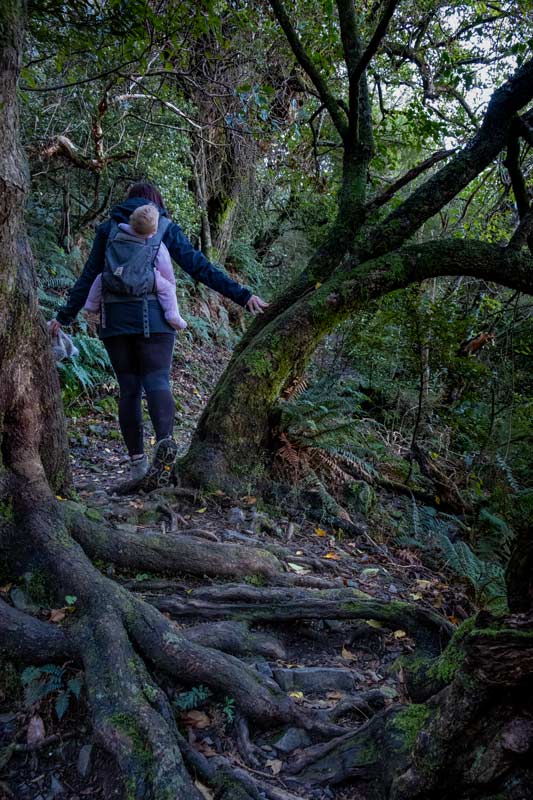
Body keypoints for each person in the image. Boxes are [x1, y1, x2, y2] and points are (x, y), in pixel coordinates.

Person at [49, 181, 268, 486]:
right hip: (154, 316)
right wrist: (243, 296)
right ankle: (164, 445)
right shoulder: (163, 226)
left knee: (128, 389)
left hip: (114, 319)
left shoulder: (108, 228)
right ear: (155, 203)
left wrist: (64, 316)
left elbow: (89, 275)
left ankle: (137, 465)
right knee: (157, 379)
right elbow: (199, 266)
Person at [84, 203, 188, 331]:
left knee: (100, 278)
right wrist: (170, 282)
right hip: (146, 280)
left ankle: (91, 305)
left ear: (131, 218)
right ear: (155, 230)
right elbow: (165, 268)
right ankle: (173, 315)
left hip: (116, 275)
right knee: (167, 288)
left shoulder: (117, 235)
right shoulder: (155, 245)